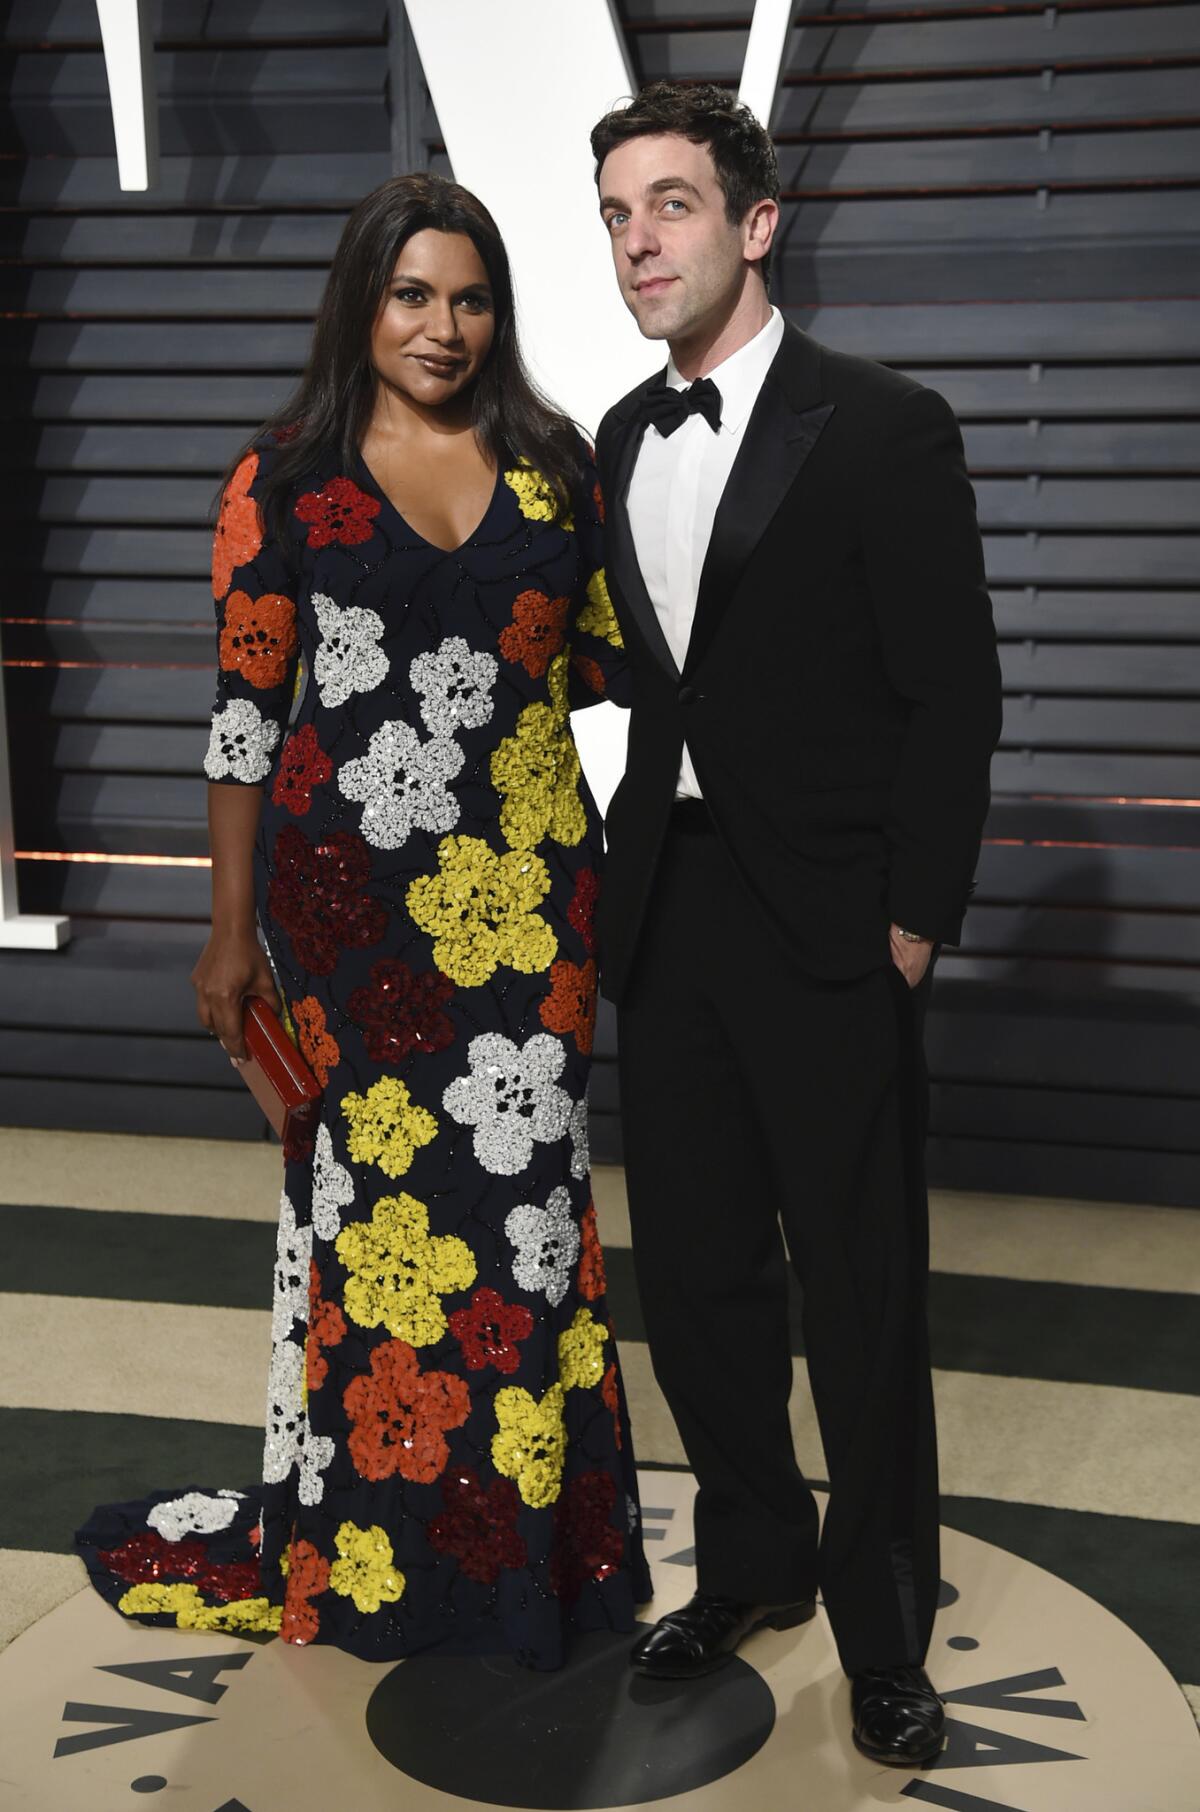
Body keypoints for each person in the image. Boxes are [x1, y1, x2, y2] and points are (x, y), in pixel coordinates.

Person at [75, 173, 650, 1669]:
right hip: (348, 929)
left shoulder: (556, 470)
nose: (443, 328)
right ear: (363, 304)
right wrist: (225, 933)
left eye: (470, 299)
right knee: (379, 1233)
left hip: (527, 920)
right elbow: (243, 721)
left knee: (524, 1231)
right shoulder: (279, 480)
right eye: (412, 296)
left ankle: (532, 1563)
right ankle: (383, 1561)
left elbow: (616, 673)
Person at [588, 84, 1003, 1763]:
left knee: (862, 1290)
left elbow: (953, 697)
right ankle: (750, 1560)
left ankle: (886, 1626)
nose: (639, 244)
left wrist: (913, 922)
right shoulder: (616, 436)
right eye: (618, 215)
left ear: (757, 225)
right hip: (667, 918)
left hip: (834, 931)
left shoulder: (885, 422)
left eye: (672, 207)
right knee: (694, 1284)